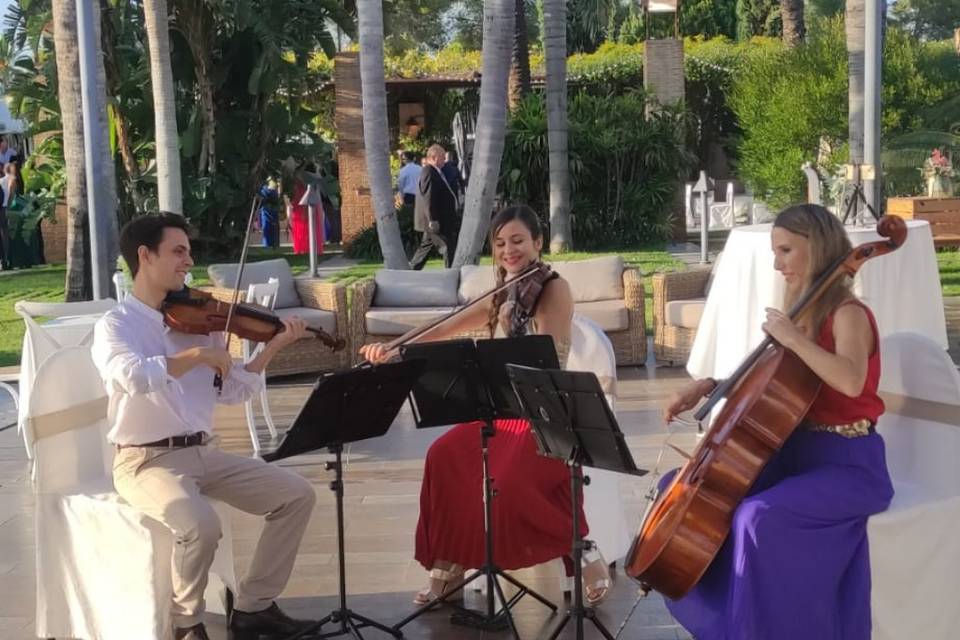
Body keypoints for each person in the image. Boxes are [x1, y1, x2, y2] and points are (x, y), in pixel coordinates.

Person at [659, 204, 893, 640]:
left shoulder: (848, 313)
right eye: (775, 251)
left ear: (818, 248)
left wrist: (789, 337)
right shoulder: (801, 312)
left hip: (850, 464)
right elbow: (770, 382)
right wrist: (709, 384)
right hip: (796, 453)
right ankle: (728, 625)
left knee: (756, 517)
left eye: (786, 250)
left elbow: (849, 379)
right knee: (680, 492)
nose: (776, 263)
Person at [361, 205, 614, 607]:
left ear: (537, 243)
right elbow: (445, 326)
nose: (509, 250)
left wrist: (516, 313)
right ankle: (448, 567)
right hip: (499, 411)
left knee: (508, 479)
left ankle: (584, 553)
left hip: (545, 412)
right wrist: (394, 349)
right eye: (500, 244)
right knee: (442, 456)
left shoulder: (551, 287)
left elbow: (543, 354)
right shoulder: (501, 291)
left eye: (517, 241)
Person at [92, 213, 318, 640]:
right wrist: (195, 357)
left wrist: (273, 347)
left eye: (188, 253)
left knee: (295, 496)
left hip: (203, 452)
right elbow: (132, 377)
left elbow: (232, 391)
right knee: (202, 524)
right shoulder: (116, 325)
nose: (187, 262)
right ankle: (186, 622)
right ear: (145, 255)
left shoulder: (198, 318)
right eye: (178, 252)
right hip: (145, 460)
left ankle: (254, 607)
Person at [410, 144, 459, 270]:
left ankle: (411, 270)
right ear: (434, 157)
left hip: (439, 220)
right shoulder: (429, 171)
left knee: (425, 249)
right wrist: (432, 219)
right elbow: (428, 197)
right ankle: (450, 273)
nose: (445, 160)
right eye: (442, 157)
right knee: (447, 246)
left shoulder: (437, 172)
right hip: (435, 221)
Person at [286, 162, 325, 255]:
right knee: (303, 227)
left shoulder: (305, 180)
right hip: (302, 205)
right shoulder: (308, 179)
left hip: (304, 205)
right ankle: (305, 248)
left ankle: (305, 248)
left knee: (304, 227)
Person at [257, 179, 281, 248]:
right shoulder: (264, 186)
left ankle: (274, 244)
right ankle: (268, 244)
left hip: (272, 208)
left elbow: (279, 193)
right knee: (267, 226)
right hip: (266, 208)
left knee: (273, 226)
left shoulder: (276, 181)